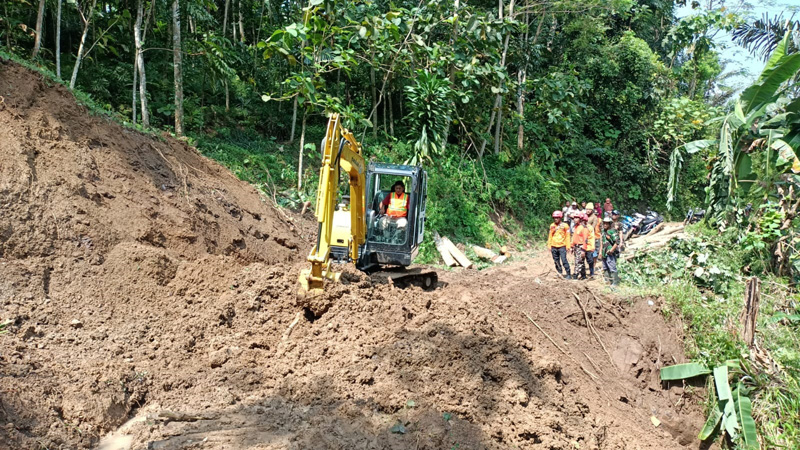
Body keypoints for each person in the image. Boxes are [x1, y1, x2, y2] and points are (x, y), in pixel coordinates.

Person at [547, 211, 572, 279]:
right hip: (554, 246)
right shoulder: (552, 226)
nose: (556, 219)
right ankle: (559, 272)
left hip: (562, 246)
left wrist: (568, 246)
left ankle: (568, 273)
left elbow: (567, 236)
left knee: (564, 260)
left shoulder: (565, 226)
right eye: (554, 218)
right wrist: (549, 245)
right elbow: (550, 236)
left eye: (557, 218)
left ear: (560, 218)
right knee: (556, 261)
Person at [601, 217, 620, 286]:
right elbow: (602, 242)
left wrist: (611, 250)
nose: (605, 225)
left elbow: (617, 242)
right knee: (605, 267)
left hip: (610, 252)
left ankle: (615, 282)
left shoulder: (612, 231)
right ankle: (607, 280)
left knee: (612, 267)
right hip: (604, 251)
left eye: (607, 223)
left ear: (609, 224)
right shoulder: (603, 231)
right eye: (604, 223)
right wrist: (600, 252)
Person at [572, 213, 590, 280]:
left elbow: (585, 240)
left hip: (581, 247)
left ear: (580, 219)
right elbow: (574, 238)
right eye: (574, 218)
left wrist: (583, 250)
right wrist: (572, 246)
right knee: (580, 261)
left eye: (577, 218)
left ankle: (575, 276)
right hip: (576, 246)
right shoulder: (576, 227)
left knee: (578, 262)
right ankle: (583, 276)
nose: (575, 219)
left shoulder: (584, 228)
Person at [585, 204, 599, 278]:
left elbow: (592, 228)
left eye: (589, 209)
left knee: (592, 255)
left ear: (592, 210)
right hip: (583, 236)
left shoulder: (594, 217)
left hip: (591, 237)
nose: (587, 211)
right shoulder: (584, 215)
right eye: (586, 209)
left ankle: (592, 271)